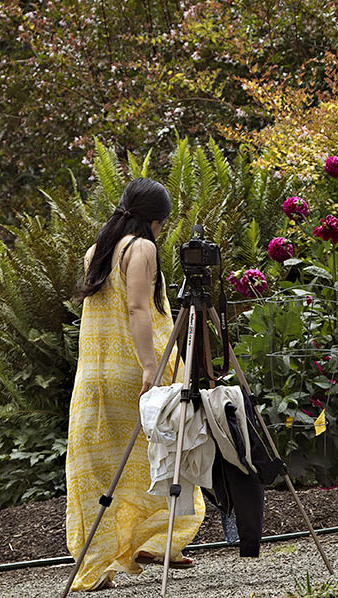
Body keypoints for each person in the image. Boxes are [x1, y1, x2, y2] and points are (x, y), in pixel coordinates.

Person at [66, 178, 202, 591]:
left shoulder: (99, 250)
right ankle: (162, 541)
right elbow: (138, 308)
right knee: (165, 454)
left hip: (95, 374)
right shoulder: (142, 248)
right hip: (134, 366)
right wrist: (150, 366)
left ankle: (101, 561)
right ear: (157, 220)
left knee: (105, 465)